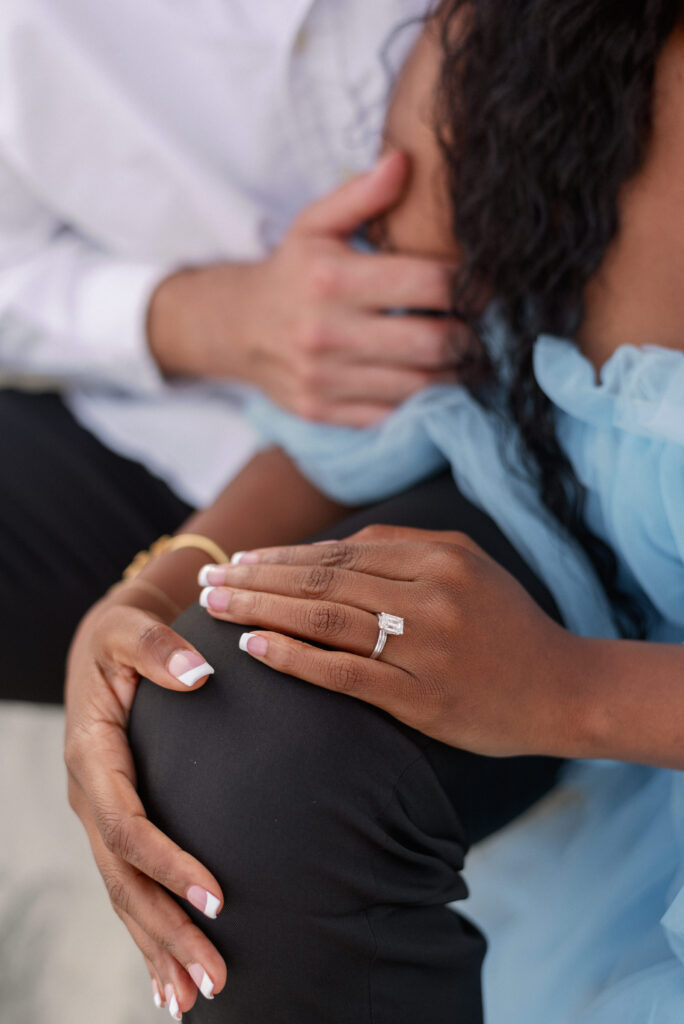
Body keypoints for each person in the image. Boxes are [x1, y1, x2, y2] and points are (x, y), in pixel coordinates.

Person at [66, 0, 684, 1020]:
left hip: (618, 705)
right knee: (215, 723)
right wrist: (155, 587)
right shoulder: (505, 48)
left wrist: (567, 688)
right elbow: (392, 387)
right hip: (608, 744)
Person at [0, 0, 459, 703]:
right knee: (187, 740)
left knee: (238, 780)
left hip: (508, 408)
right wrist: (197, 317)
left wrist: (167, 581)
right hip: (180, 424)